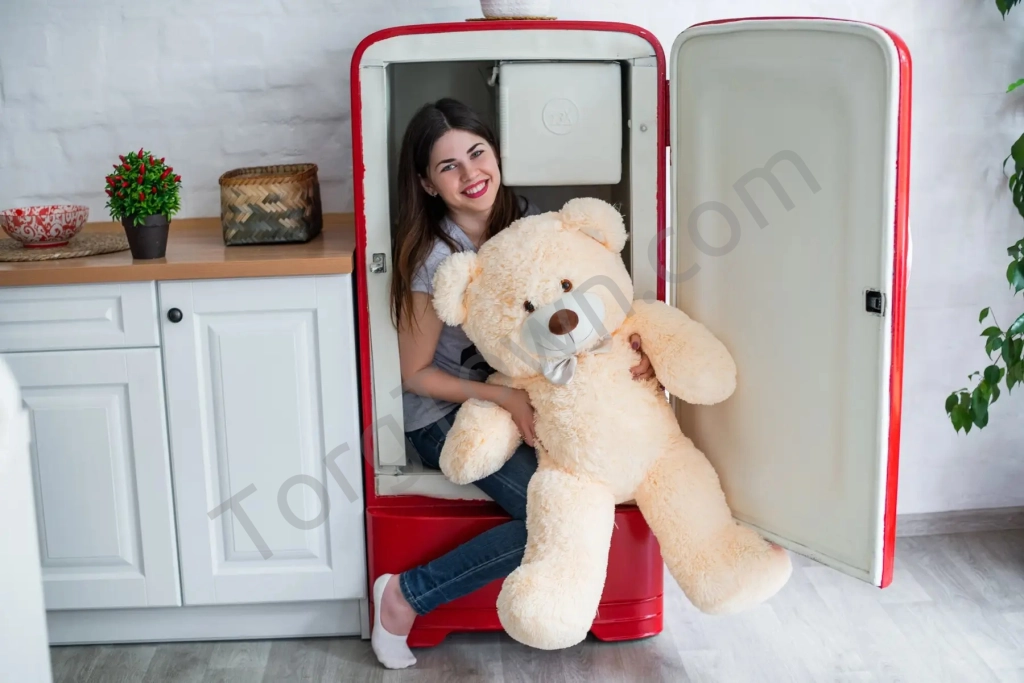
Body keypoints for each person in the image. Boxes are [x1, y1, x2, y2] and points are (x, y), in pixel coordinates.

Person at [371, 97, 657, 669]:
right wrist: (505, 398)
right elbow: (415, 375)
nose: (470, 174)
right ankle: (405, 596)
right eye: (448, 166)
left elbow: (578, 299)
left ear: (497, 153)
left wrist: (632, 347)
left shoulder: (528, 222)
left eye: (477, 153)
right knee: (552, 515)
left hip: (521, 392)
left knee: (588, 487)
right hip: (446, 411)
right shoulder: (434, 258)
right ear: (427, 183)